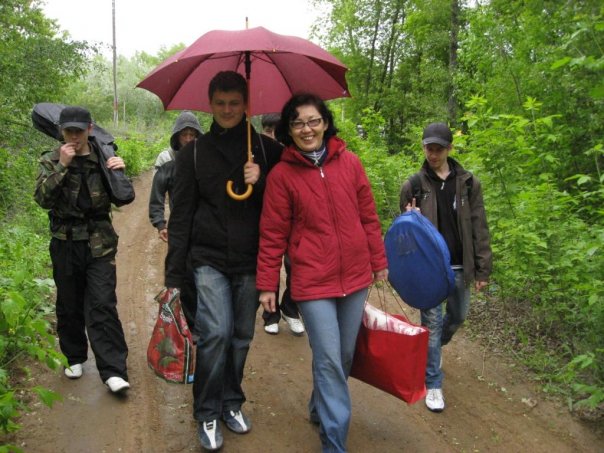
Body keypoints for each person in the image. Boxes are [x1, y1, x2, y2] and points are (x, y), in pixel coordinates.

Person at [257, 93, 388, 453]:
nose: (307, 129)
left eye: (313, 121)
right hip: (313, 281)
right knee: (329, 359)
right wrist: (268, 283)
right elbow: (272, 234)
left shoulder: (351, 163)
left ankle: (319, 406)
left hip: (355, 276)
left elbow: (368, 216)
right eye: (298, 123)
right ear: (288, 130)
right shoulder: (282, 176)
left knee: (343, 356)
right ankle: (334, 442)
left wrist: (378, 261)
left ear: (325, 123)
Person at [164, 71, 282, 451]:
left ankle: (232, 401)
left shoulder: (266, 150)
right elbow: (180, 216)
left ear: (246, 104)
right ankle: (207, 411)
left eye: (234, 103)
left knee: (241, 336)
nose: (228, 110)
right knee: (216, 332)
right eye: (221, 104)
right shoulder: (193, 154)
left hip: (252, 259)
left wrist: (262, 179)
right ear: (210, 104)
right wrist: (174, 276)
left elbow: (285, 203)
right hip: (208, 258)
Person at [34, 106, 130, 394]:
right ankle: (74, 357)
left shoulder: (103, 156)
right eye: (69, 131)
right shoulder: (51, 159)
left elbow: (123, 198)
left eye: (79, 131)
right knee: (69, 303)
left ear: (89, 129)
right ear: (61, 131)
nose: (74, 137)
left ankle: (113, 370)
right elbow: (42, 199)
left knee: (102, 303)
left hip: (100, 242)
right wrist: (62, 166)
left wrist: (119, 172)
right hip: (65, 241)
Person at [399, 122, 492, 413]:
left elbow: (479, 226)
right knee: (432, 323)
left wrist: (483, 268)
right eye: (429, 148)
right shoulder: (413, 185)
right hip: (429, 268)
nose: (433, 154)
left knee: (458, 316)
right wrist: (410, 219)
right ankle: (433, 384)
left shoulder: (468, 183)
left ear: (449, 148)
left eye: (438, 149)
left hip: (459, 264)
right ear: (423, 147)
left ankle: (434, 346)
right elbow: (403, 235)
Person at [149, 111, 203, 332]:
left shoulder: (206, 158)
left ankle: (201, 321)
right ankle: (186, 324)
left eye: (192, 134)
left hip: (205, 226)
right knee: (181, 275)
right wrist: (160, 223)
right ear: (177, 137)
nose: (188, 139)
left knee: (203, 275)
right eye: (184, 135)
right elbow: (157, 194)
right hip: (180, 227)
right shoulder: (168, 161)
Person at [259, 113, 304, 336]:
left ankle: (290, 308)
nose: (273, 136)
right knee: (271, 264)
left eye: (276, 131)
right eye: (268, 130)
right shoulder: (255, 152)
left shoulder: (293, 153)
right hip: (266, 218)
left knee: (297, 264)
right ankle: (271, 314)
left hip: (294, 219)